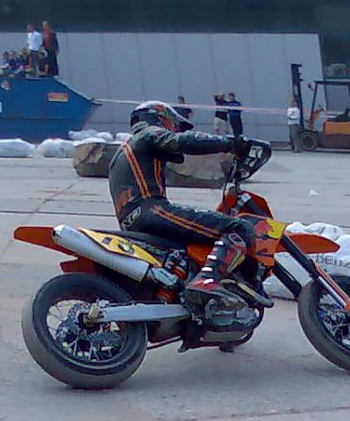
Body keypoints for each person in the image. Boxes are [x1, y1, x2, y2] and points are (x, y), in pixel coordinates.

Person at [108, 101, 262, 321]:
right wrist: (231, 144)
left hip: (133, 221)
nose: (174, 130)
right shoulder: (147, 134)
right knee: (240, 227)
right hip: (151, 211)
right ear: (160, 119)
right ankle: (206, 280)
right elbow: (184, 142)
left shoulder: (124, 152)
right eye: (173, 125)